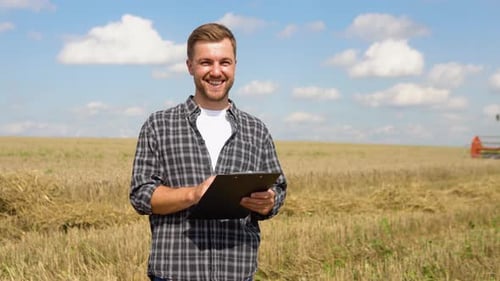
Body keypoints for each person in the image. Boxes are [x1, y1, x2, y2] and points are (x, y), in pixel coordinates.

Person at [130, 22, 287, 281]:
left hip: (237, 273)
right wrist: (193, 194)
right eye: (206, 62)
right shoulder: (159, 125)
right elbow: (141, 195)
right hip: (175, 273)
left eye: (224, 62)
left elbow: (279, 190)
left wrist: (268, 202)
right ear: (190, 66)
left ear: (235, 64)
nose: (216, 71)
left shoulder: (256, 129)